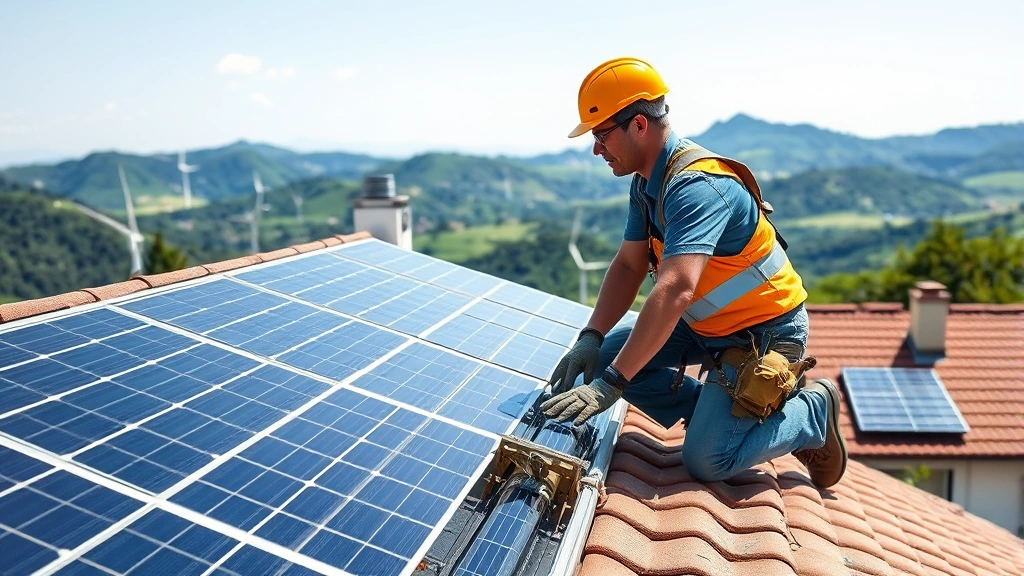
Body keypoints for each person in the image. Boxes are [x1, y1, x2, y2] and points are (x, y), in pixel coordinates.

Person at [540, 57, 847, 488]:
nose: (596, 149)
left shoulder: (696, 187)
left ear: (640, 125)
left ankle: (812, 410)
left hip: (763, 330)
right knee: (606, 360)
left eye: (601, 134)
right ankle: (718, 411)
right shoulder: (648, 183)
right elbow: (629, 264)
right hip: (706, 327)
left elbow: (676, 289)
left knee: (707, 461)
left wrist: (610, 387)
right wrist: (591, 337)